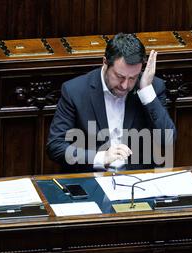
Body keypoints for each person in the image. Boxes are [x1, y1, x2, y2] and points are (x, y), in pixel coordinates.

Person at [46, 33, 176, 172]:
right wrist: (100, 157)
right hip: (92, 180)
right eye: (120, 77)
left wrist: (146, 92)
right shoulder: (75, 91)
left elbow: (167, 141)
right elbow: (55, 146)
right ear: (105, 63)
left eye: (133, 78)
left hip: (136, 181)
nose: (125, 85)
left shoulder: (151, 88)